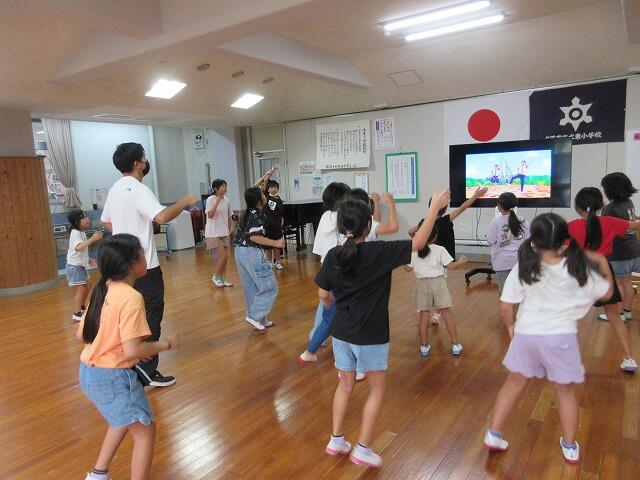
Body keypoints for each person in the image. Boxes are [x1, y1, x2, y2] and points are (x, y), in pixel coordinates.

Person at [319, 189, 450, 468]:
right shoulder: (379, 251)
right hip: (371, 334)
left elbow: (323, 295)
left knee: (344, 385)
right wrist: (434, 209)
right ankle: (363, 448)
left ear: (341, 226)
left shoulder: (332, 255)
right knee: (376, 389)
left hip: (341, 333)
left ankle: (336, 439)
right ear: (369, 225)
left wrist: (334, 306)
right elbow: (419, 242)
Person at [484, 213, 612, 464]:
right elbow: (606, 293)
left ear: (534, 240)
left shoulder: (524, 266)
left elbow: (506, 306)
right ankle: (570, 446)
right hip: (560, 339)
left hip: (527, 336)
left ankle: (493, 434)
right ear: (565, 242)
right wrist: (602, 261)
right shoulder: (577, 266)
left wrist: (510, 326)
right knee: (564, 393)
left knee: (513, 384)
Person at [77, 234, 179, 480]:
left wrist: (124, 347)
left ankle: (98, 474)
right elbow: (132, 350)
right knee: (145, 431)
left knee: (121, 419)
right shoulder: (132, 297)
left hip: (88, 372)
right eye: (143, 254)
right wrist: (164, 344)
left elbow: (81, 335)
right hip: (113, 378)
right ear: (132, 264)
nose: (146, 257)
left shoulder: (103, 289)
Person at [101, 142, 196, 387]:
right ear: (137, 164)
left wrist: (126, 229)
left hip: (121, 268)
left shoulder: (115, 189)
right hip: (144, 267)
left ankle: (130, 364)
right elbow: (162, 216)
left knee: (128, 317)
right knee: (150, 316)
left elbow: (106, 222)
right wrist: (185, 201)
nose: (146, 162)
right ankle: (146, 372)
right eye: (143, 158)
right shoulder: (138, 189)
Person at [299, 191, 398, 364]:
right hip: (356, 284)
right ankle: (353, 364)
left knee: (329, 318)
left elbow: (375, 222)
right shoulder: (366, 227)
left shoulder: (343, 225)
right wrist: (389, 203)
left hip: (337, 279)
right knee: (352, 323)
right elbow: (389, 226)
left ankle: (311, 350)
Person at [567, 187, 640, 372]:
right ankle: (629, 359)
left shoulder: (571, 226)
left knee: (570, 319)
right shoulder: (609, 222)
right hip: (604, 271)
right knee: (615, 316)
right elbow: (634, 225)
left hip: (579, 271)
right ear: (600, 205)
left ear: (577, 205)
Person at [408, 186, 487, 324]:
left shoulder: (424, 223)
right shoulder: (445, 220)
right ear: (445, 210)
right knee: (440, 289)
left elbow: (410, 232)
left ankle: (424, 308)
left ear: (430, 207)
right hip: (441, 261)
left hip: (425, 259)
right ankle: (436, 315)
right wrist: (475, 195)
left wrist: (418, 241)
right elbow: (462, 208)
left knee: (424, 285)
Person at [405, 225, 468, 356]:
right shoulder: (440, 249)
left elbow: (407, 269)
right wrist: (462, 261)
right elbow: (451, 266)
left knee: (424, 316)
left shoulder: (414, 250)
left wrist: (402, 258)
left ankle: (424, 347)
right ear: (435, 237)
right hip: (438, 283)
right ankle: (455, 344)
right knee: (446, 313)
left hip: (421, 284)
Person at [234, 187, 285, 331]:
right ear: (258, 199)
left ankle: (259, 319)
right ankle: (255, 316)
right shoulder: (258, 215)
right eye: (263, 194)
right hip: (251, 252)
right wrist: (275, 243)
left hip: (240, 251)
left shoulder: (248, 212)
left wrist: (266, 177)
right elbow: (254, 237)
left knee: (252, 287)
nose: (265, 195)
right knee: (269, 286)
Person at [308, 182, 351, 338]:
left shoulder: (325, 216)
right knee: (334, 302)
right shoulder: (342, 217)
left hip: (326, 264)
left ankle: (317, 334)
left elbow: (319, 245)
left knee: (326, 301)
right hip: (340, 266)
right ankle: (320, 334)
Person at [598, 172, 640, 322]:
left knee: (618, 283)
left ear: (611, 189)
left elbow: (603, 231)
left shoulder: (609, 209)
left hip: (619, 252)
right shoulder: (629, 203)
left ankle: (620, 314)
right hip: (633, 249)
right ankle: (627, 311)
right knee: (626, 281)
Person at [487, 192, 529, 292]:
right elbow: (528, 239)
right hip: (519, 260)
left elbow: (490, 240)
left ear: (499, 206)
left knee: (504, 291)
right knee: (519, 290)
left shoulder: (495, 222)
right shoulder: (522, 220)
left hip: (501, 261)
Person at [66, 210, 103, 320]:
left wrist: (88, 259)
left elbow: (80, 250)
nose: (87, 219)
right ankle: (77, 313)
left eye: (87, 217)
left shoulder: (81, 232)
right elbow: (78, 247)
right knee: (82, 289)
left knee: (88, 285)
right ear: (76, 222)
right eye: (84, 218)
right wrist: (93, 239)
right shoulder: (76, 233)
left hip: (79, 266)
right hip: (75, 267)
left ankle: (82, 307)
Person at [205, 179, 234, 288]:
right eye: (222, 186)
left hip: (224, 232)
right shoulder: (210, 199)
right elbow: (210, 215)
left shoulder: (227, 200)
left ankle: (222, 278)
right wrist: (217, 201)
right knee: (223, 256)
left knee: (226, 258)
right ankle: (216, 277)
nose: (225, 188)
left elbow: (230, 215)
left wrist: (231, 225)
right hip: (213, 233)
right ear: (216, 189)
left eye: (225, 185)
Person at [256, 168, 285, 269]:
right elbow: (265, 180)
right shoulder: (266, 195)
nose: (274, 189)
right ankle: (269, 262)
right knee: (268, 245)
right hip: (266, 225)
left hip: (276, 225)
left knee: (277, 245)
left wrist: (281, 224)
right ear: (268, 189)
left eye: (275, 187)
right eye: (272, 187)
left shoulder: (279, 200)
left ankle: (277, 262)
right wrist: (271, 171)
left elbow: (281, 215)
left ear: (278, 189)